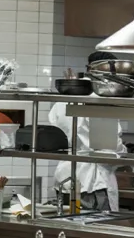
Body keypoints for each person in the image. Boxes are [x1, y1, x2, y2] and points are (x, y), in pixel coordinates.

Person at [48, 52, 126, 211]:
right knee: (95, 230)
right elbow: (109, 149)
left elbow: (57, 134)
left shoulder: (66, 96)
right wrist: (124, 151)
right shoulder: (99, 99)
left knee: (67, 225)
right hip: (92, 185)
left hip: (65, 179)